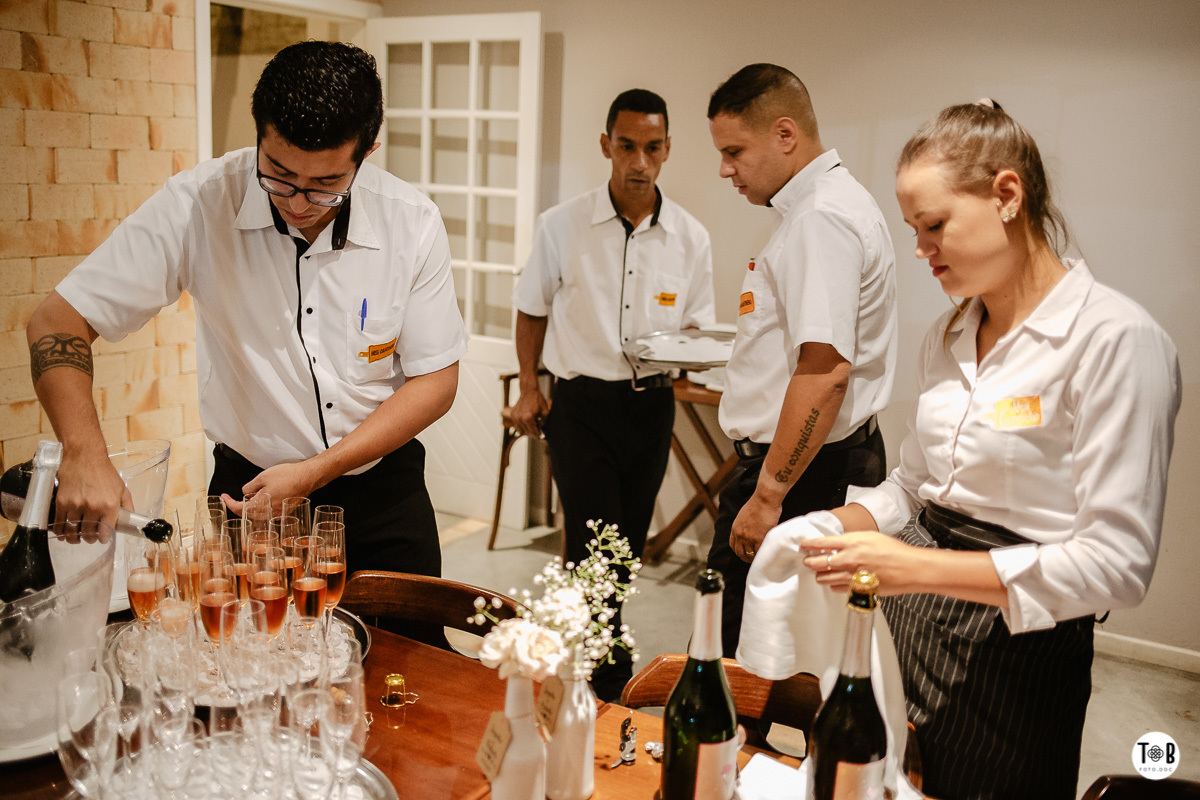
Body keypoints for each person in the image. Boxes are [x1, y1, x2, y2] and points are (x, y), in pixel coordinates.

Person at [793, 100, 1181, 799]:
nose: (921, 250)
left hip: (1018, 647)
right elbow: (914, 487)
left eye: (935, 225)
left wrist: (914, 567)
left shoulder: (1117, 343)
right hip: (904, 623)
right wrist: (830, 527)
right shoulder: (945, 337)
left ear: (1008, 195)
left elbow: (1118, 566)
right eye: (913, 229)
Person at [25, 42, 466, 630]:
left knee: (408, 680)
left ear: (368, 152)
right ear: (258, 134)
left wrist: (317, 471)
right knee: (260, 677)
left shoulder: (411, 222)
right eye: (278, 176)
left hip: (382, 494)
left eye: (325, 184)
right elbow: (57, 320)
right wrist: (84, 454)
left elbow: (436, 378)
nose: (298, 204)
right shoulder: (198, 203)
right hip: (250, 499)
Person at [511, 88, 715, 699]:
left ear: (668, 151)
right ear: (606, 146)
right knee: (594, 540)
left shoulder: (690, 237)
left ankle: (598, 648)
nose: (639, 162)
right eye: (627, 146)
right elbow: (530, 309)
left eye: (652, 148)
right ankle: (603, 671)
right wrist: (528, 389)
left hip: (651, 407)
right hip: (580, 407)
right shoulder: (561, 225)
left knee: (625, 545)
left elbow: (699, 330)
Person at [706, 64, 897, 657]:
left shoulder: (821, 218)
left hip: (802, 476)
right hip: (815, 464)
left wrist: (767, 497)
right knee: (784, 657)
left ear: (784, 134)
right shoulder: (822, 205)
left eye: (735, 151)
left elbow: (825, 372)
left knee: (732, 660)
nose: (724, 169)